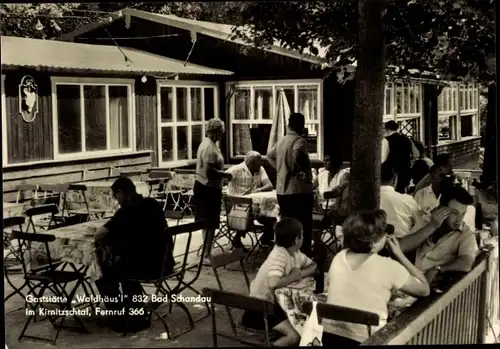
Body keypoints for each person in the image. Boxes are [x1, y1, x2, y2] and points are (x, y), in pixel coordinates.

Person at [323, 210, 429, 346]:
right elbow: (425, 289)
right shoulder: (389, 266)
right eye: (383, 234)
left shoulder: (339, 257)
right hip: (367, 340)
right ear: (373, 242)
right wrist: (400, 254)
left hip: (329, 337)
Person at [94, 177, 174, 332]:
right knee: (124, 263)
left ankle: (119, 319)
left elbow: (99, 234)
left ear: (121, 193)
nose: (117, 200)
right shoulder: (152, 204)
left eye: (116, 197)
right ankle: (135, 313)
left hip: (144, 268)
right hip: (164, 262)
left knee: (103, 274)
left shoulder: (126, 212)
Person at [241, 218, 317, 346]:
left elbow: (313, 265)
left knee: (305, 321)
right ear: (296, 240)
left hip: (276, 305)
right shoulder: (279, 255)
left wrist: (299, 274)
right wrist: (294, 276)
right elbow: (273, 283)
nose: (303, 237)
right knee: (295, 335)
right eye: (302, 234)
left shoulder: (294, 253)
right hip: (260, 308)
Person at [267, 113, 314, 256]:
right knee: (303, 225)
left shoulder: (282, 141)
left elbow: (269, 155)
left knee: (287, 225)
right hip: (299, 191)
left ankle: (287, 254)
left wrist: (281, 169)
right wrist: (300, 169)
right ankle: (303, 254)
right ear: (300, 124)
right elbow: (297, 154)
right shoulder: (299, 141)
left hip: (282, 191)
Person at [414, 185, 478, 284]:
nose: (459, 220)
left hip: (431, 286)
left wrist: (437, 269)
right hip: (409, 280)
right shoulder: (425, 220)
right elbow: (402, 247)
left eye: (463, 214)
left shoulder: (465, 234)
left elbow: (466, 262)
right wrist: (431, 226)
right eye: (454, 213)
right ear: (441, 208)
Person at [193, 118, 232, 262]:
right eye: (221, 132)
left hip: (209, 187)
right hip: (207, 188)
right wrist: (225, 174)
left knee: (209, 223)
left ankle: (206, 251)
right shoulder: (209, 147)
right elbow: (209, 171)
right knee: (209, 222)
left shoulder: (210, 144)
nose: (222, 134)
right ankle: (206, 253)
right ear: (216, 132)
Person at [225, 150, 275, 248]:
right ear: (252, 163)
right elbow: (223, 176)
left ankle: (266, 239)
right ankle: (237, 238)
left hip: (255, 206)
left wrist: (259, 189)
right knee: (249, 215)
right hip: (238, 208)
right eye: (259, 161)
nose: (261, 163)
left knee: (272, 214)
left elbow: (269, 185)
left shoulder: (260, 169)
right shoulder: (236, 169)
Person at [379, 163, 423, 238]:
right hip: (402, 244)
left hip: (373, 244)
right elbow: (420, 223)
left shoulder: (366, 199)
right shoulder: (407, 200)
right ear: (394, 179)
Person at [381, 121, 420, 193]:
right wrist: (409, 162)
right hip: (405, 170)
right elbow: (416, 154)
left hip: (391, 172)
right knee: (402, 191)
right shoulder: (406, 139)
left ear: (388, 129)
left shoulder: (386, 140)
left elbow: (383, 159)